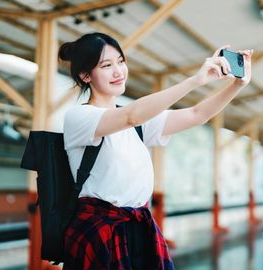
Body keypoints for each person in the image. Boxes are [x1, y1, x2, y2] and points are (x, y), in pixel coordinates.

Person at [58, 32, 253, 269]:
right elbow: (132, 115)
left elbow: (196, 114)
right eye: (107, 66)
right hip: (101, 232)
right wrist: (195, 80)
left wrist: (237, 85)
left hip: (138, 228)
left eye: (120, 61)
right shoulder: (80, 117)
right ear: (85, 75)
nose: (118, 71)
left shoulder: (136, 123)